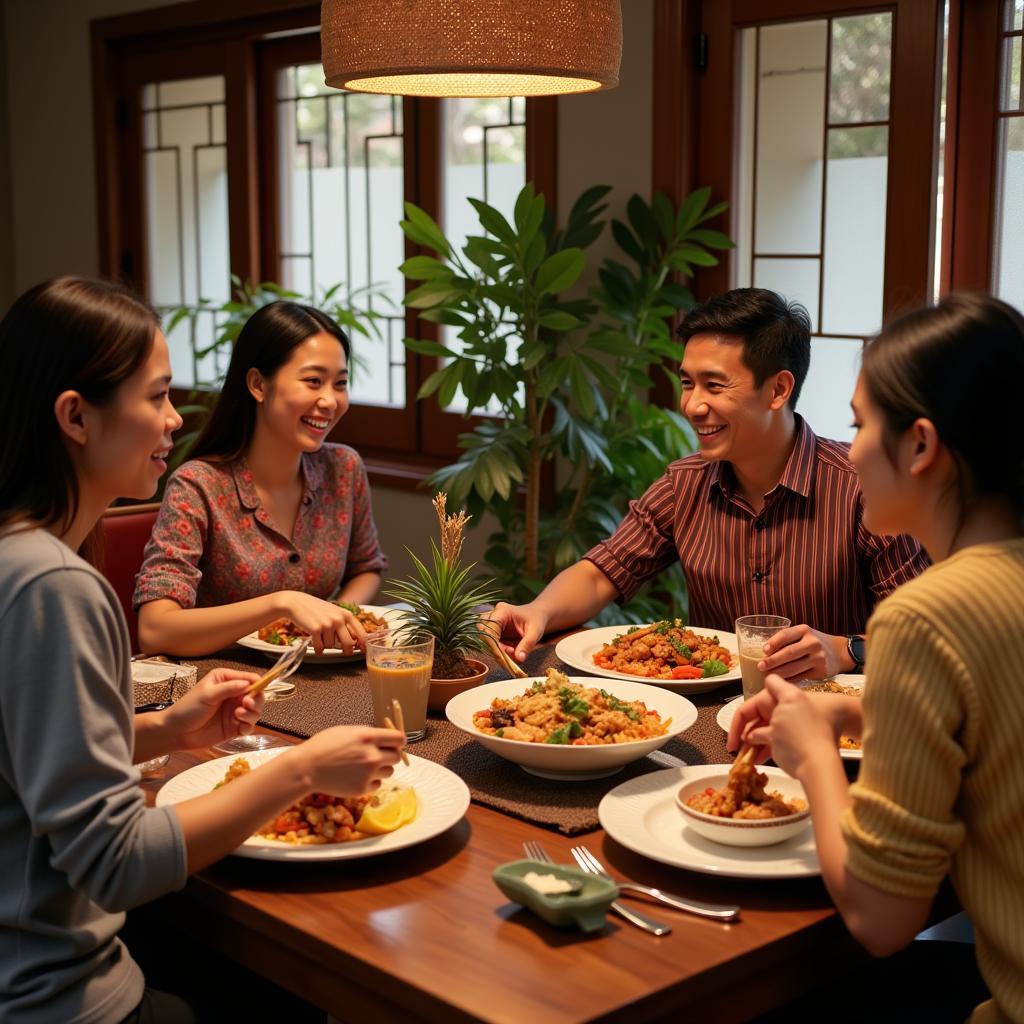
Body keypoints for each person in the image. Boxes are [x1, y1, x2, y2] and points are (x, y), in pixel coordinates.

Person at [0, 278, 404, 1023]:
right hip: (57, 995)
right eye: (155, 397)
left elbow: (33, 757)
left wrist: (164, 729)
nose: (172, 417)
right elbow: (116, 862)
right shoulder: (54, 585)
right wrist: (302, 767)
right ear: (75, 416)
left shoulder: (22, 560)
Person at [728, 293, 1024, 1024]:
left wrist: (813, 754)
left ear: (920, 446)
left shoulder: (928, 614)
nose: (849, 448)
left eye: (861, 424)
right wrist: (860, 709)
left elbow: (883, 920)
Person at [490, 288, 928, 678]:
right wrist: (538, 611)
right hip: (710, 717)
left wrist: (845, 650)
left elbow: (923, 635)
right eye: (687, 383)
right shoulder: (685, 483)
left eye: (714, 386)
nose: (693, 405)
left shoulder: (859, 489)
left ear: (777, 390)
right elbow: (602, 574)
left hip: (836, 716)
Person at [135, 300, 387, 656]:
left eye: (340, 383)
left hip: (321, 675)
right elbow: (156, 629)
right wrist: (281, 605)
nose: (330, 400)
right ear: (258, 385)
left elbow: (367, 567)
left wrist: (336, 618)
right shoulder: (197, 485)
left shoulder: (344, 468)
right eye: (313, 381)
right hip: (225, 688)